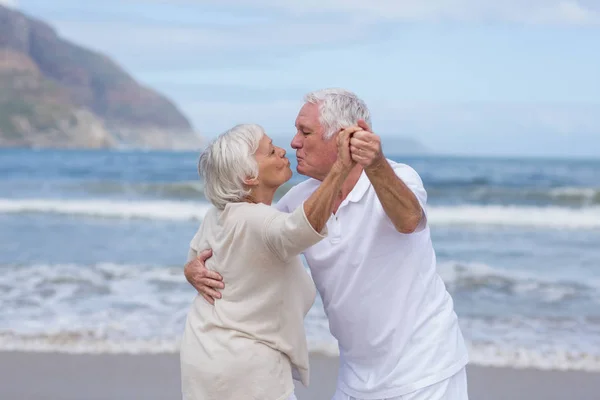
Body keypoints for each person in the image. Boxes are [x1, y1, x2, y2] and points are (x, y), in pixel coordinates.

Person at [185, 89, 469, 400]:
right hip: (355, 378)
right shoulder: (298, 201)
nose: (294, 142)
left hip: (425, 370)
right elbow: (238, 224)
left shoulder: (398, 177)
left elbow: (409, 221)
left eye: (305, 132)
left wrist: (375, 164)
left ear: (343, 138)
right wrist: (193, 265)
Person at [180, 123, 360, 400]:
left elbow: (195, 259)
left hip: (203, 352)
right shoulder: (256, 220)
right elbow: (298, 230)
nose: (281, 150)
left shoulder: (218, 215)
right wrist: (340, 170)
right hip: (246, 366)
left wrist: (189, 270)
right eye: (269, 151)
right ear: (249, 177)